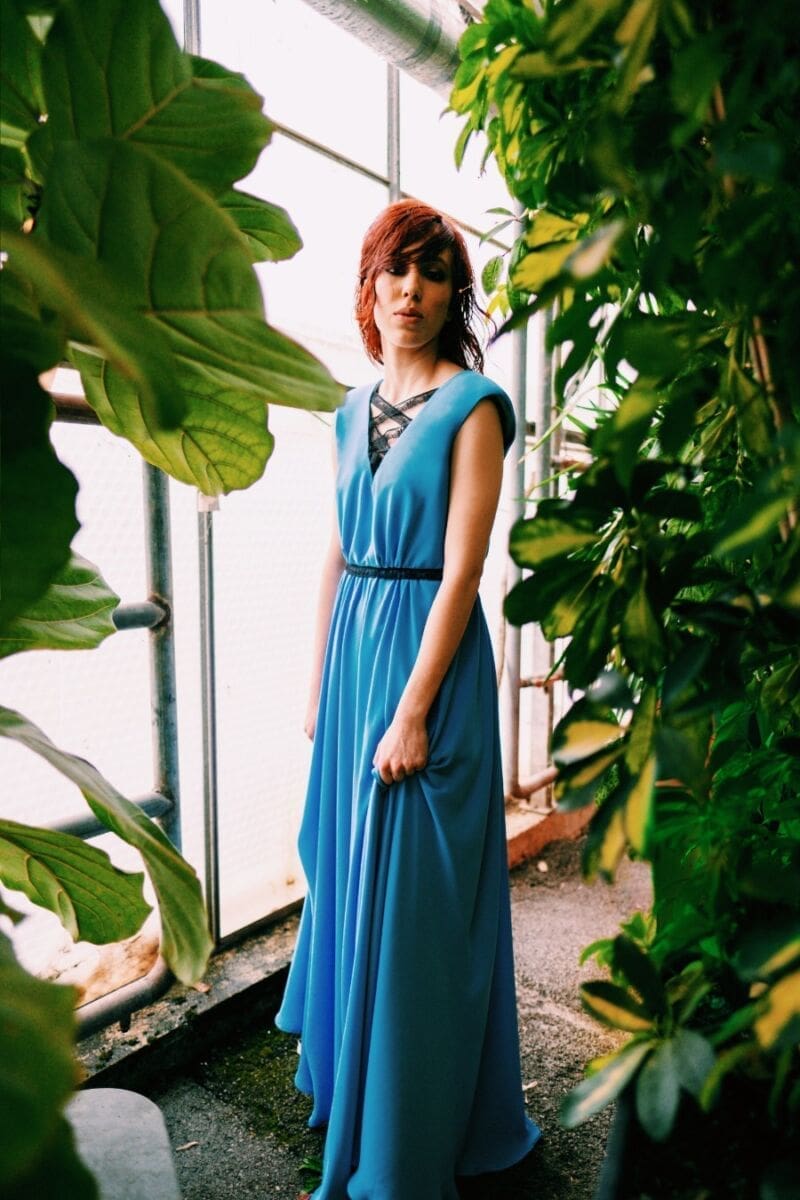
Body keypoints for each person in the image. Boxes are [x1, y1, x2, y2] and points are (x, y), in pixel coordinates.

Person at [276, 198, 541, 1200]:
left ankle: (409, 1140)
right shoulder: (350, 411)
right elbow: (337, 552)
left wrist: (414, 709)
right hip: (355, 668)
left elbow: (463, 571)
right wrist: (319, 684)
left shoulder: (474, 408)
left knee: (419, 917)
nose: (412, 290)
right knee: (350, 884)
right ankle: (358, 1097)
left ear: (453, 293)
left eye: (433, 272)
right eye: (396, 270)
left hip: (427, 673)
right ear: (370, 285)